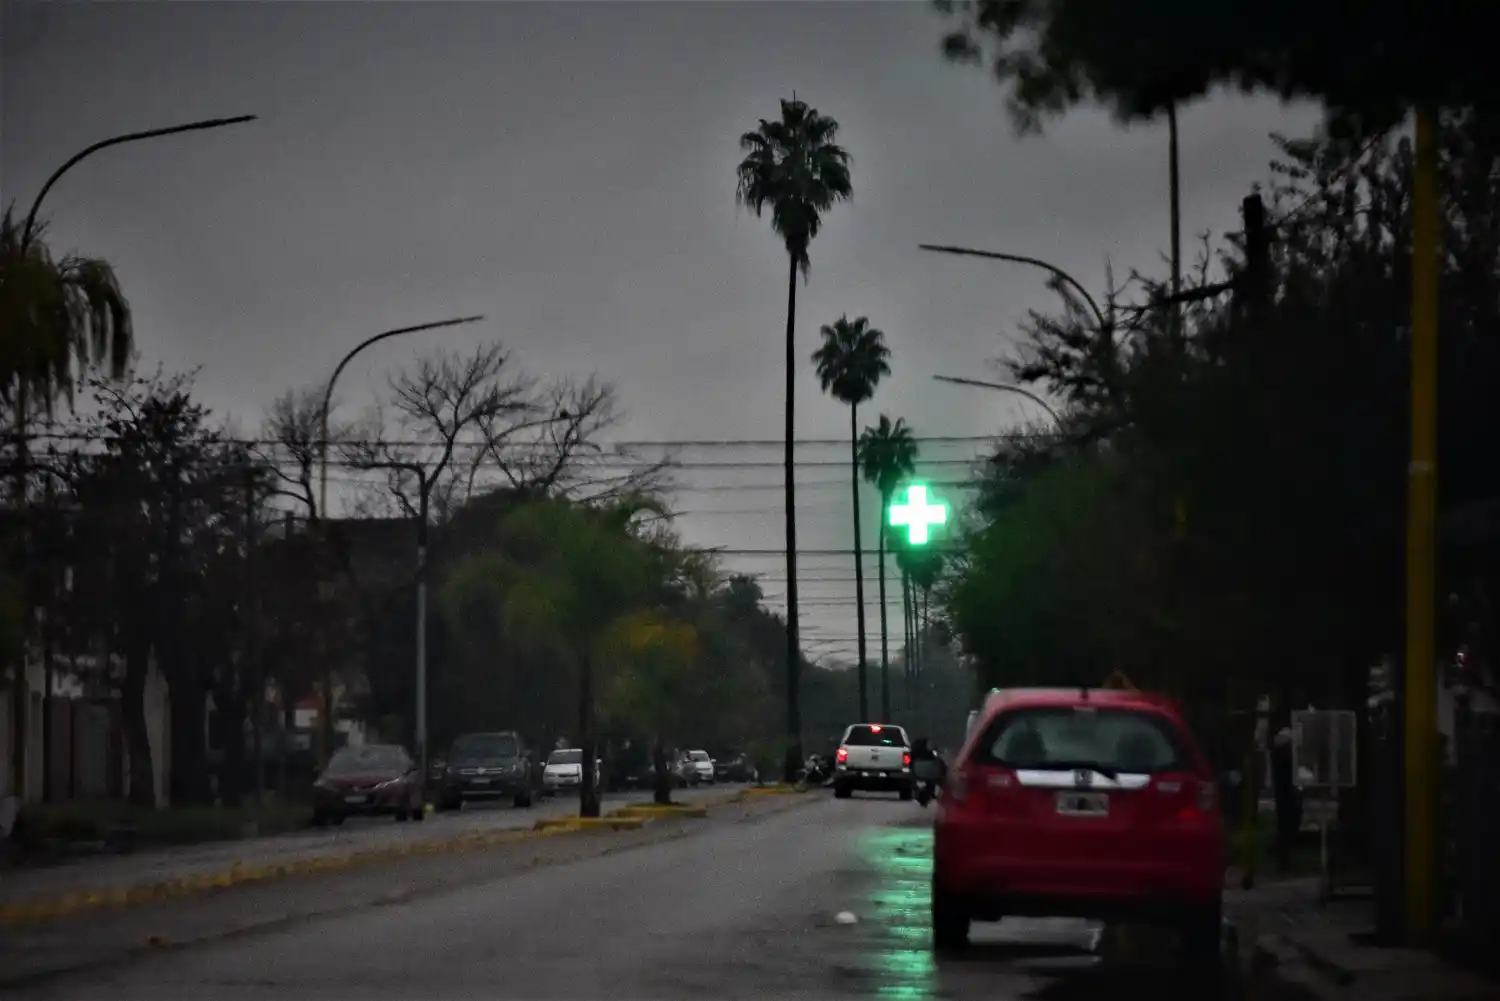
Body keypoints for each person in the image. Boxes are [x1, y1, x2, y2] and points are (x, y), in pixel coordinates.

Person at [910, 736, 945, 806]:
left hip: (924, 772)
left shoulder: (926, 752)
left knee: (936, 780)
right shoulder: (919, 753)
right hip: (922, 772)